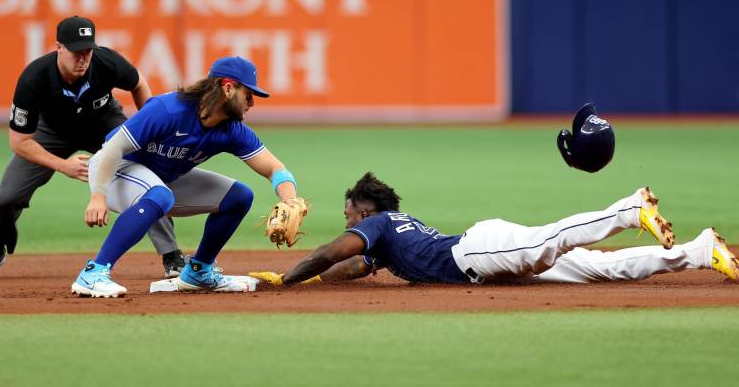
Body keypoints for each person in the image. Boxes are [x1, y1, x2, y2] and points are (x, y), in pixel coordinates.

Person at [70, 55, 303, 298]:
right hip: (114, 168)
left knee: (239, 196)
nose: (252, 102)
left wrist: (289, 200)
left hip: (160, 178)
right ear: (227, 88)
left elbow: (275, 169)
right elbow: (113, 149)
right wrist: (99, 195)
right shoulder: (168, 110)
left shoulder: (232, 130)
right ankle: (93, 273)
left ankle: (199, 271)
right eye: (248, 94)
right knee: (160, 195)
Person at [0, 16, 184, 280]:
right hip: (52, 132)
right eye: (76, 52)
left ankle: (171, 253)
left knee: (146, 174)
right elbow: (19, 142)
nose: (83, 58)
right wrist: (63, 166)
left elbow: (138, 83)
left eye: (87, 51)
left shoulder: (106, 61)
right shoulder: (34, 77)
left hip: (103, 122)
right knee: (7, 197)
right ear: (58, 47)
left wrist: (146, 127)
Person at [249, 172, 739, 286]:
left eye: (348, 211)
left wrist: (286, 279)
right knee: (603, 270)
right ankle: (700, 252)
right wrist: (312, 279)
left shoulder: (376, 223)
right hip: (486, 254)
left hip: (476, 254)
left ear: (364, 209)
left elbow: (334, 253)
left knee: (549, 241)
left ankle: (630, 210)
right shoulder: (391, 233)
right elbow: (352, 266)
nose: (346, 219)